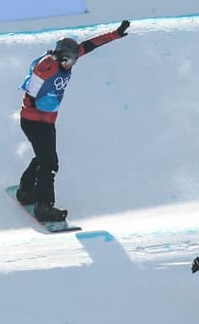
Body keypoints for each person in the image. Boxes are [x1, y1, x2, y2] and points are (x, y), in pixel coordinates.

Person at [15, 20, 130, 222]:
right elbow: (32, 94)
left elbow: (90, 45)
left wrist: (115, 34)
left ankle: (25, 192)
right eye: (69, 60)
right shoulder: (47, 66)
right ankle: (43, 206)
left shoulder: (67, 58)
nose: (72, 64)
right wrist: (44, 104)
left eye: (74, 60)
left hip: (46, 121)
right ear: (60, 56)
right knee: (50, 163)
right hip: (35, 121)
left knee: (43, 157)